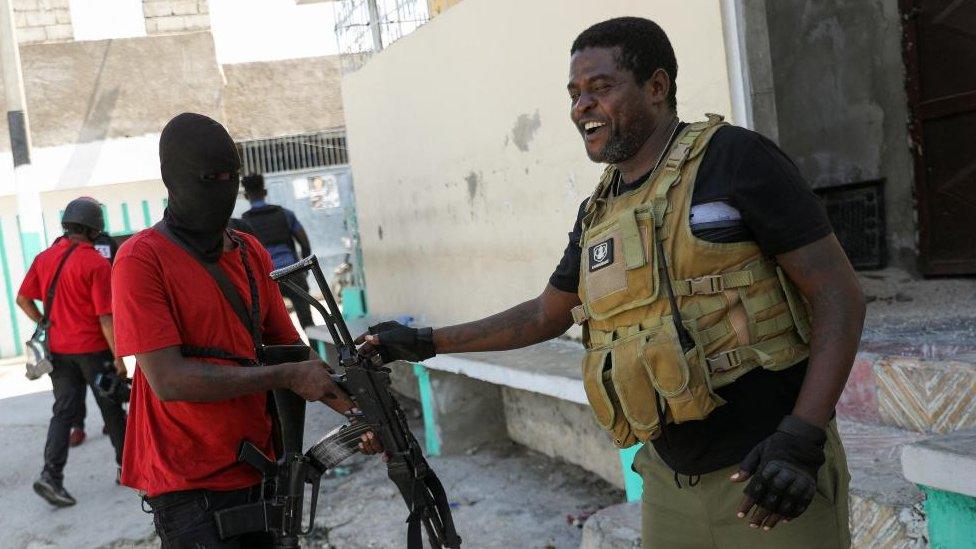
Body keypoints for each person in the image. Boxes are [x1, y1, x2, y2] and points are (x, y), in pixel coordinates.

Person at [363, 17, 865, 549]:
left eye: (600, 88)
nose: (582, 106)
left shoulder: (735, 159)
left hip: (767, 479)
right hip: (670, 487)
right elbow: (544, 315)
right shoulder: (598, 211)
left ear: (656, 87)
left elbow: (838, 295)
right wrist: (427, 341)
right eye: (575, 93)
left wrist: (802, 437)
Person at [112, 113, 379, 548]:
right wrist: (286, 376)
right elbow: (169, 379)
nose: (222, 187)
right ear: (172, 181)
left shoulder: (250, 251)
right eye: (209, 178)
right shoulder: (141, 260)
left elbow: (291, 351)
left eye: (230, 176)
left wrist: (358, 415)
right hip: (188, 489)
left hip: (261, 471)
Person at [16, 198, 128, 507]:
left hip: (58, 353)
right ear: (95, 229)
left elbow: (23, 298)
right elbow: (106, 317)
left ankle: (51, 477)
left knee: (63, 412)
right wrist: (119, 357)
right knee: (112, 409)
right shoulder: (95, 263)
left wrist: (44, 322)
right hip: (93, 350)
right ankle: (127, 468)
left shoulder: (44, 258)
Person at [70, 197, 119, 448]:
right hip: (87, 321)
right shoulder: (67, 247)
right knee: (81, 383)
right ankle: (80, 425)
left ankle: (108, 422)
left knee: (103, 381)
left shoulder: (107, 244)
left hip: (103, 316)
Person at [241, 174, 315, 330]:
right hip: (293, 272)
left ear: (246, 196)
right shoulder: (285, 214)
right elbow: (304, 243)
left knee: (274, 329)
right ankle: (315, 351)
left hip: (267, 278)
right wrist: (304, 269)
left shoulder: (244, 223)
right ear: (265, 191)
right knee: (308, 324)